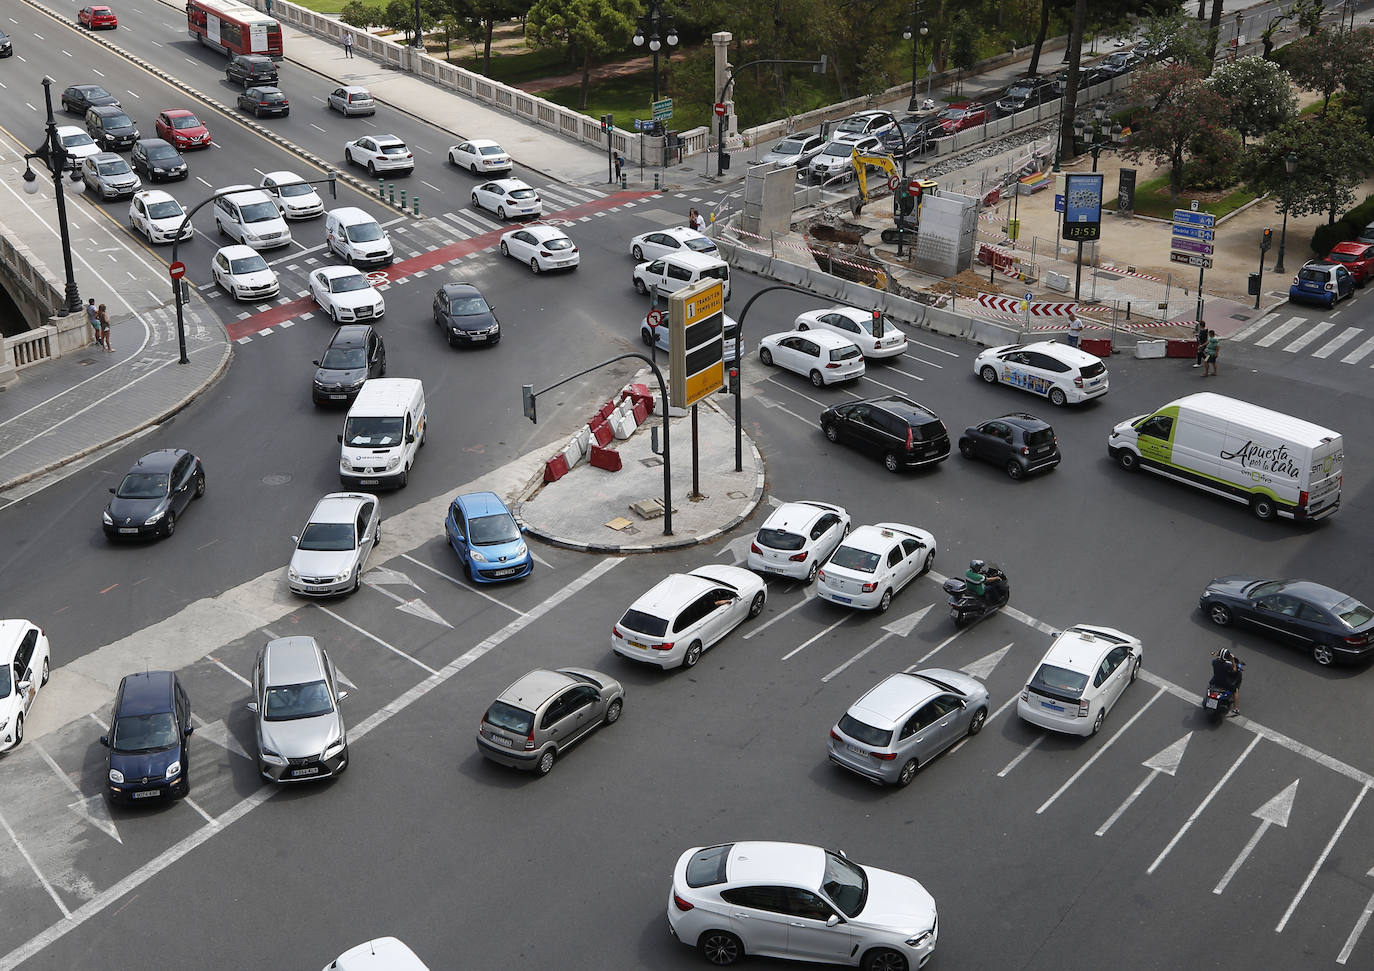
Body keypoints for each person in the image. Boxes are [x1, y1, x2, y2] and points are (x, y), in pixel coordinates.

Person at [1210, 648, 1243, 715]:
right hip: (1225, 683)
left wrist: (1216, 654)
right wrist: (1232, 659)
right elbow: (1234, 670)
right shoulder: (1227, 665)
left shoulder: (1214, 662)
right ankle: (1235, 709)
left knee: (1209, 687)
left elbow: (1218, 659)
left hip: (1214, 681)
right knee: (1235, 690)